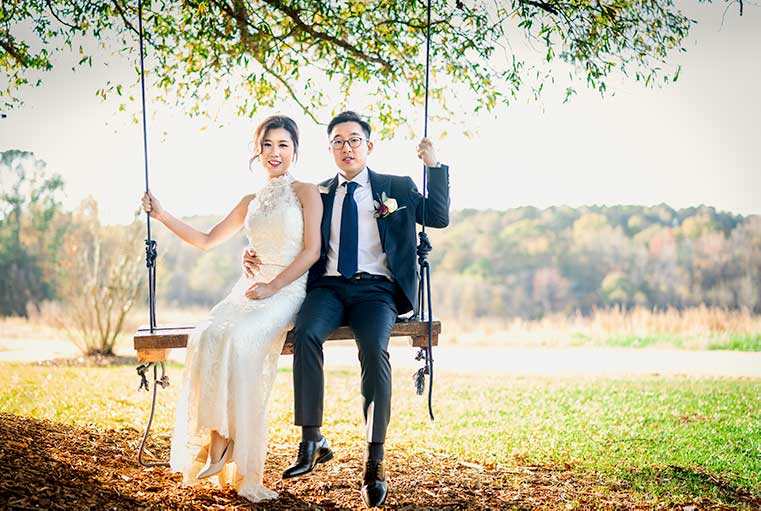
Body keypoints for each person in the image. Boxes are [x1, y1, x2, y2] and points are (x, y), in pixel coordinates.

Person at [243, 110, 450, 507]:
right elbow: (283, 235)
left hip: (377, 291)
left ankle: (375, 460)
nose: (347, 148)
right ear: (330, 149)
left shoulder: (397, 187)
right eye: (338, 141)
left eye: (354, 140)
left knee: (374, 349)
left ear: (368, 146)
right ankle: (311, 439)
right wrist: (251, 253)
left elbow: (438, 217)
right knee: (305, 334)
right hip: (329, 288)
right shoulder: (318, 193)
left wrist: (433, 166)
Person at [140, 115, 322, 502]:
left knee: (240, 338)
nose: (275, 153)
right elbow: (206, 240)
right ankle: (217, 437)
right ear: (258, 150)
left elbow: (312, 251)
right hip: (251, 285)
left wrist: (274, 284)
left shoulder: (307, 192)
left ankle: (232, 446)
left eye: (283, 145)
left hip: (287, 286)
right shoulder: (250, 201)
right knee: (207, 333)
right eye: (268, 145)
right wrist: (163, 214)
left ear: (295, 150)